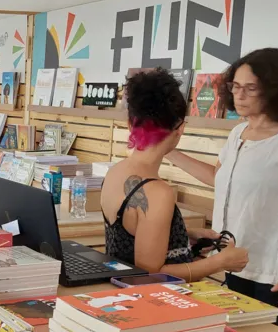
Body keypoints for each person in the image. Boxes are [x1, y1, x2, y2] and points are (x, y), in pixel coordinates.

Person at [167, 48, 278, 332]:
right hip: (235, 262)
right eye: (236, 86)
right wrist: (169, 151)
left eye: (251, 88)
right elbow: (220, 177)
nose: (240, 95)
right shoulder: (239, 132)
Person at [101, 68, 249, 281]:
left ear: (130, 123)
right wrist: (220, 262)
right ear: (180, 129)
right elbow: (151, 274)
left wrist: (182, 234)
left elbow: (131, 235)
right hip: (153, 303)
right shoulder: (157, 192)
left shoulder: (116, 172)